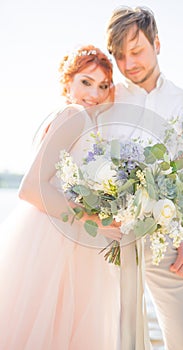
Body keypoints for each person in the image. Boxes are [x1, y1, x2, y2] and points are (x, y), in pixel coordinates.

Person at [0, 45, 149, 350]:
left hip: (57, 234)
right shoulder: (72, 114)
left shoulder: (77, 119)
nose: (94, 93)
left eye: (103, 86)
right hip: (56, 241)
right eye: (86, 82)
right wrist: (95, 219)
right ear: (67, 83)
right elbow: (30, 188)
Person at [106, 6, 183, 350]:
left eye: (137, 51)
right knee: (116, 340)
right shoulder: (106, 100)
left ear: (157, 42)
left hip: (167, 246)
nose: (129, 64)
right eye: (120, 56)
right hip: (110, 244)